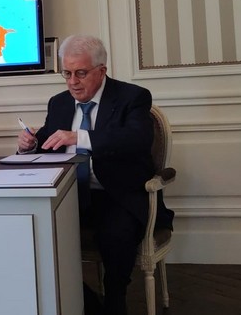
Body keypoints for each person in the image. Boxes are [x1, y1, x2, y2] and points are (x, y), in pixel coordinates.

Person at [17, 34, 173, 315]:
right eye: (66, 73)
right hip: (70, 196)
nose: (72, 82)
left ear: (101, 71)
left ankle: (115, 300)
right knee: (31, 232)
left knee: (116, 235)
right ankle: (84, 303)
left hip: (118, 195)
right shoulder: (59, 103)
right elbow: (46, 142)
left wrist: (79, 136)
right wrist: (28, 146)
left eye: (80, 73)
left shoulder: (132, 97)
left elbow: (136, 139)